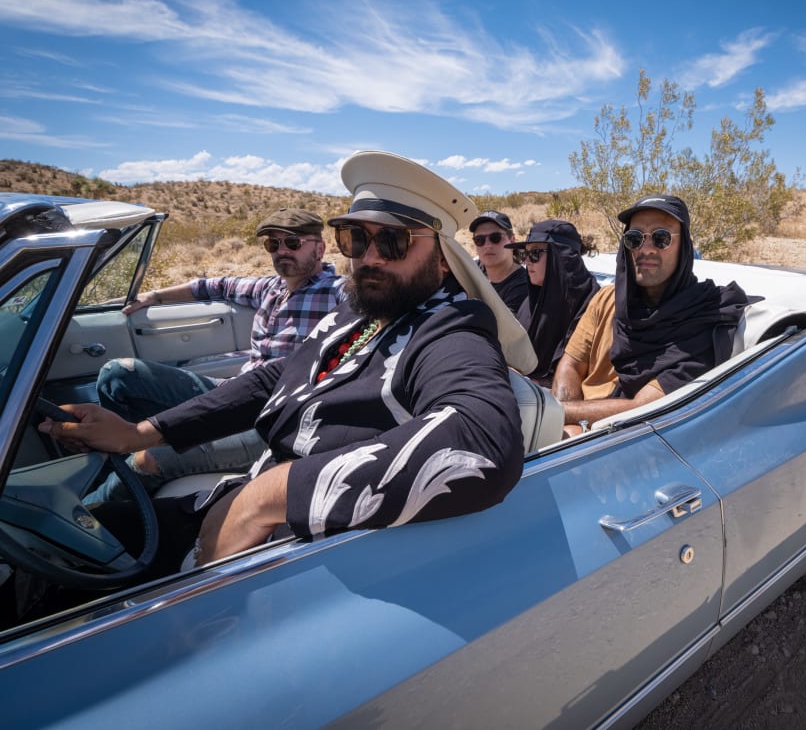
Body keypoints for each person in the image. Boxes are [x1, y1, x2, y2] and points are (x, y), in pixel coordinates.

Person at [42, 150, 536, 576]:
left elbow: (481, 441)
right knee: (73, 539)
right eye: (355, 240)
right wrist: (143, 432)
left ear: (444, 259)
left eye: (393, 241)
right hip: (247, 495)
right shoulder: (363, 311)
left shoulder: (453, 325)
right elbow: (283, 375)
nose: (370, 258)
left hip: (288, 547)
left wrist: (263, 498)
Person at [85, 208, 348, 503]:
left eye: (293, 243)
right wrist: (155, 297)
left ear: (320, 248)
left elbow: (368, 310)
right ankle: (114, 460)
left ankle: (88, 515)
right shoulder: (269, 288)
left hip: (272, 421)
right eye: (273, 245)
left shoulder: (336, 292)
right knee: (119, 375)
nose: (282, 251)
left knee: (148, 459)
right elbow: (214, 285)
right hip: (230, 394)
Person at [552, 195, 751, 435]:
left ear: (684, 247)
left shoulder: (702, 319)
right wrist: (565, 421)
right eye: (634, 238)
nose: (645, 249)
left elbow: (642, 408)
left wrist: (559, 416)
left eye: (661, 238)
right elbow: (571, 363)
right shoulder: (607, 300)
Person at [507, 219, 600, 384]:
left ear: (562, 256)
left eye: (535, 253)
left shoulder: (593, 306)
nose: (527, 261)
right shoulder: (529, 306)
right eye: (524, 254)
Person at [469, 210, 528, 312]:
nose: (487, 245)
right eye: (480, 240)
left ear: (512, 240)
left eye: (495, 238)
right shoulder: (472, 270)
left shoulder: (523, 286)